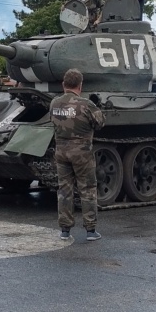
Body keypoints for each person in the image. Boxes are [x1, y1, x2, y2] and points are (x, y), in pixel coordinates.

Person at [49, 68, 105, 242]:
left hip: (61, 152)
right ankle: (90, 230)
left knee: (64, 190)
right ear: (80, 86)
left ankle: (65, 230)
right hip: (82, 154)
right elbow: (100, 123)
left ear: (63, 84)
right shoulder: (86, 104)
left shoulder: (54, 103)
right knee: (87, 189)